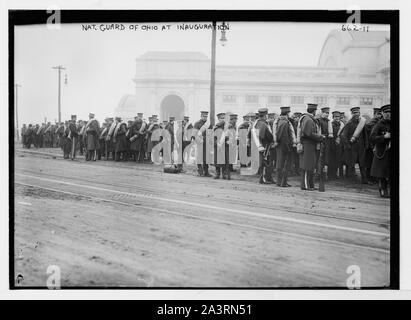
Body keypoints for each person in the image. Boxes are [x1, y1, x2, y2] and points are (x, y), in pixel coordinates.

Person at [298, 103, 325, 191]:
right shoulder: (308, 120)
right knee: (307, 166)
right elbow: (308, 133)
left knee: (310, 165)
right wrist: (320, 137)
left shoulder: (308, 119)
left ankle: (310, 184)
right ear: (314, 111)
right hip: (308, 144)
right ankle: (305, 185)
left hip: (310, 144)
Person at [340, 106, 368, 183]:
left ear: (359, 113)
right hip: (352, 147)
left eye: (358, 112)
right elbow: (343, 135)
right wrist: (348, 145)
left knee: (362, 163)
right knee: (351, 164)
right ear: (352, 114)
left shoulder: (362, 123)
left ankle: (364, 179)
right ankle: (351, 180)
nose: (356, 114)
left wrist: (366, 145)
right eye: (355, 113)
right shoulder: (349, 123)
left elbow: (365, 135)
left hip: (361, 147)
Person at [370, 104, 391, 198]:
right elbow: (372, 137)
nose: (388, 114)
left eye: (390, 112)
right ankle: (383, 189)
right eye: (386, 112)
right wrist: (384, 137)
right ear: (382, 113)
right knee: (382, 172)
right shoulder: (379, 124)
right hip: (382, 152)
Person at [251, 107, 274, 184]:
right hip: (264, 145)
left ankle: (267, 178)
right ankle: (263, 179)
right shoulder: (263, 124)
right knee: (265, 162)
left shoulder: (257, 123)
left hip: (260, 145)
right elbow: (263, 135)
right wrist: (271, 139)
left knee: (265, 162)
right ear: (265, 115)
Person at [275, 106, 296, 187]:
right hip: (284, 146)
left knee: (280, 163)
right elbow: (283, 136)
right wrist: (287, 147)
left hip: (281, 145)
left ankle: (280, 182)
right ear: (287, 113)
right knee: (284, 164)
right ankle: (282, 182)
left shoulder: (280, 121)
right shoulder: (284, 122)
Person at [364, 107, 382, 183]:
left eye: (380, 114)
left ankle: (373, 178)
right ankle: (369, 178)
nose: (379, 116)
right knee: (370, 163)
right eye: (378, 114)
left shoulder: (380, 122)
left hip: (376, 145)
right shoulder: (371, 123)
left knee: (374, 163)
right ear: (374, 114)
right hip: (371, 146)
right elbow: (369, 135)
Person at [192, 110, 212, 177]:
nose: (205, 117)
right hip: (200, 143)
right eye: (204, 116)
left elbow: (211, 133)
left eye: (206, 116)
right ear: (201, 116)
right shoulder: (197, 123)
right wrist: (199, 140)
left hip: (207, 143)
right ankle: (200, 172)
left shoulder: (208, 124)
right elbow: (194, 134)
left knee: (206, 158)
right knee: (199, 158)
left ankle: (206, 172)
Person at [328, 111, 345, 179]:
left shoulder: (342, 125)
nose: (337, 118)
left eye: (338, 117)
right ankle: (330, 175)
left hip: (339, 145)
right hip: (332, 145)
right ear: (333, 117)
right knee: (331, 160)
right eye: (335, 117)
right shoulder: (330, 125)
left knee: (337, 160)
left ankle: (335, 174)